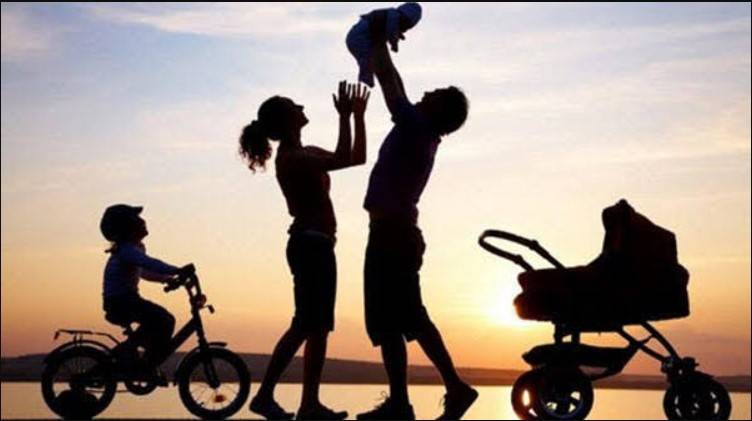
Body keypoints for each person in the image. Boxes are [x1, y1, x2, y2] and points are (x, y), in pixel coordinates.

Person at [355, 39, 477, 420]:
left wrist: (377, 38)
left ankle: (454, 388)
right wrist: (378, 44)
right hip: (391, 233)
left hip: (394, 236)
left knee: (407, 317)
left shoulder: (417, 127)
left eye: (434, 94)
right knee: (390, 323)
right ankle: (401, 403)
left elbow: (391, 86)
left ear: (439, 110)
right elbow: (395, 83)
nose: (425, 93)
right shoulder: (420, 129)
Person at [239, 82, 370, 420]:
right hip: (310, 245)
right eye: (293, 105)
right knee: (305, 325)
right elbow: (343, 158)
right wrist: (346, 116)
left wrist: (357, 117)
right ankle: (266, 396)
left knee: (317, 327)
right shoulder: (294, 158)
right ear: (286, 121)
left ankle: (309, 404)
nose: (301, 105)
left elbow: (356, 158)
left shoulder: (304, 151)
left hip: (317, 244)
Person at [100, 204, 191, 374]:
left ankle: (140, 358)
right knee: (164, 320)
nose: (142, 221)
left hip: (126, 300)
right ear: (128, 227)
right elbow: (149, 263)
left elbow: (144, 272)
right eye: (137, 219)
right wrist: (177, 270)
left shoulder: (135, 248)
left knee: (159, 321)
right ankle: (143, 362)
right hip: (121, 302)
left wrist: (167, 279)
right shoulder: (127, 250)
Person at [346, 2, 422, 87]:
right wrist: (394, 44)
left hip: (363, 37)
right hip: (359, 38)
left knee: (368, 60)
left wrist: (397, 35)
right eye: (406, 26)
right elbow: (391, 31)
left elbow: (391, 29)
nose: (405, 29)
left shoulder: (391, 16)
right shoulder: (393, 16)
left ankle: (367, 78)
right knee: (366, 59)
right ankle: (365, 79)